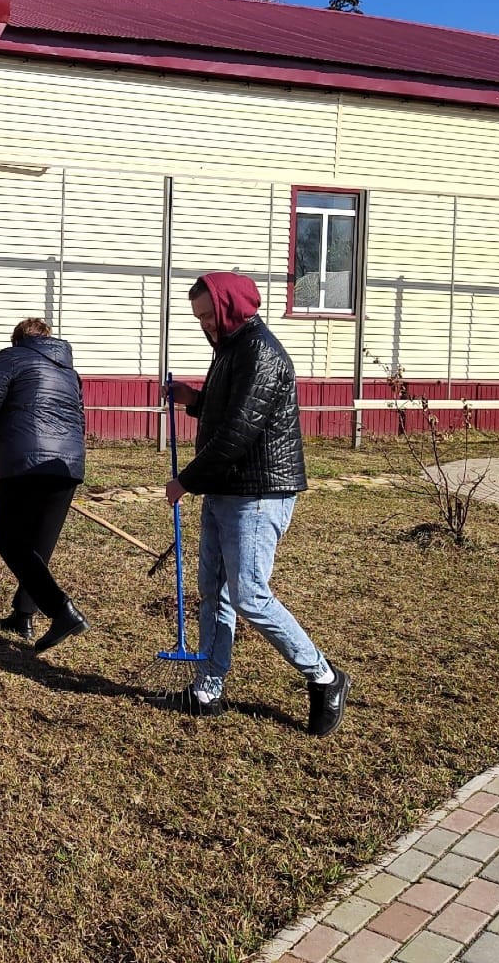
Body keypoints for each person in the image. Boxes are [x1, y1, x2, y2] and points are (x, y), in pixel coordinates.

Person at [164, 272, 350, 736]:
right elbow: (227, 410)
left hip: (258, 494)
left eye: (209, 314)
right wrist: (194, 401)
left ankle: (324, 676)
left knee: (249, 594)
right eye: (199, 317)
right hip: (226, 488)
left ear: (230, 306)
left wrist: (185, 480)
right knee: (215, 589)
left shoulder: (261, 352)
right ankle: (208, 688)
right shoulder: (230, 349)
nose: (205, 324)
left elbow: (238, 431)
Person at [0, 318, 89, 653]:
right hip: (68, 463)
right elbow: (79, 416)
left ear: (17, 339)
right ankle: (23, 616)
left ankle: (62, 612)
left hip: (26, 461)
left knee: (10, 541)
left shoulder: (13, 356)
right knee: (38, 546)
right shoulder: (69, 370)